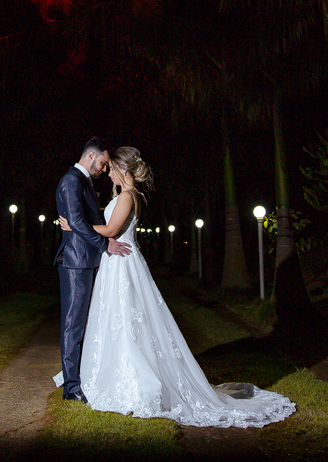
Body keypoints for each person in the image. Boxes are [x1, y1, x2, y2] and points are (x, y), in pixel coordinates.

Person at [58, 147, 295, 427]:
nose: (107, 172)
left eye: (112, 168)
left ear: (123, 169)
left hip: (122, 264)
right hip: (118, 262)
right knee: (121, 321)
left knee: (126, 320)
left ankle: (132, 380)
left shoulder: (126, 196)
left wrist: (76, 226)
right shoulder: (130, 196)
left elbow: (110, 231)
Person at [53, 137, 131, 403]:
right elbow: (74, 220)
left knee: (83, 323)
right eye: (102, 163)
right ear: (90, 156)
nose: (103, 169)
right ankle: (71, 388)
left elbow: (81, 221)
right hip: (75, 262)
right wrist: (104, 244)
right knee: (72, 325)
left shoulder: (83, 181)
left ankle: (78, 378)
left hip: (86, 261)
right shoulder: (72, 180)